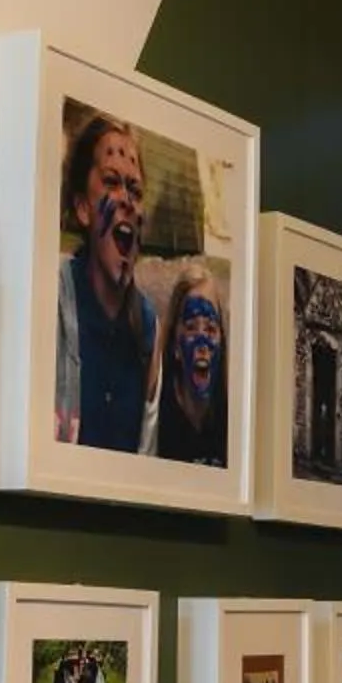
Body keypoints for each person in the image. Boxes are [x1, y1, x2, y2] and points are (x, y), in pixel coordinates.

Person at [52, 113, 153, 451]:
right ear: (82, 208)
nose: (126, 199)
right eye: (111, 182)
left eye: (135, 190)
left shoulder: (149, 325)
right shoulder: (53, 296)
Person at [146, 263, 228, 467]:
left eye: (210, 329)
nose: (202, 342)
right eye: (191, 328)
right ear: (176, 345)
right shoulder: (159, 400)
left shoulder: (232, 409)